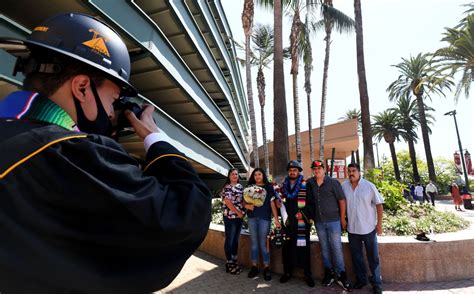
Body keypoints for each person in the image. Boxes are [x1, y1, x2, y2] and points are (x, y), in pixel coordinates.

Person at [0, 13, 211, 294]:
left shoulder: (15, 138)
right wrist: (154, 137)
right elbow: (186, 212)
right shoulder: (68, 154)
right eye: (113, 100)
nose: (113, 114)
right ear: (82, 87)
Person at [305, 160, 352, 291]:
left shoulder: (333, 183)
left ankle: (342, 275)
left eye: (319, 168)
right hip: (319, 222)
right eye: (314, 169)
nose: (317, 171)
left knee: (336, 248)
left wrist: (343, 218)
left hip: (334, 221)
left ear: (324, 170)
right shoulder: (310, 183)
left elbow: (342, 200)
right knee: (324, 248)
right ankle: (329, 273)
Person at [342, 163, 384, 294]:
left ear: (359, 172)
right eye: (349, 171)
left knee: (373, 258)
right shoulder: (344, 186)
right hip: (352, 229)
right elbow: (341, 203)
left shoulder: (369, 186)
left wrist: (379, 224)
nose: (351, 173)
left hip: (368, 229)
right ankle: (361, 280)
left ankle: (376, 283)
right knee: (357, 257)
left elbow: (379, 205)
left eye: (353, 171)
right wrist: (343, 219)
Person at [278, 160, 314, 287]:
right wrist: (278, 205)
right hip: (288, 222)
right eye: (290, 170)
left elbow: (311, 203)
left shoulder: (306, 185)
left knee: (304, 248)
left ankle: (307, 274)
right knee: (287, 247)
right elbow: (281, 203)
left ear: (299, 171)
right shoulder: (284, 186)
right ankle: (287, 272)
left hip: (301, 222)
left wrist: (303, 214)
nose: (292, 172)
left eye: (295, 170)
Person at [245, 168, 281, 281]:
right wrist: (247, 206)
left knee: (264, 244)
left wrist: (276, 219)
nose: (257, 176)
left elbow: (272, 204)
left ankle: (266, 268)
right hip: (251, 218)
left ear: (263, 175)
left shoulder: (269, 187)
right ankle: (254, 267)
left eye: (259, 174)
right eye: (255, 175)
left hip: (265, 219)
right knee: (254, 244)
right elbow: (244, 201)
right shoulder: (249, 187)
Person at [221, 168, 245, 275]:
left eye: (236, 174)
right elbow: (228, 202)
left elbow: (243, 201)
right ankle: (229, 263)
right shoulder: (227, 187)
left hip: (239, 218)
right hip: (230, 217)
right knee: (229, 239)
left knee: (236, 240)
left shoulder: (240, 187)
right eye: (233, 174)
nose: (235, 176)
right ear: (229, 176)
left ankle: (234, 261)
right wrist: (238, 212)